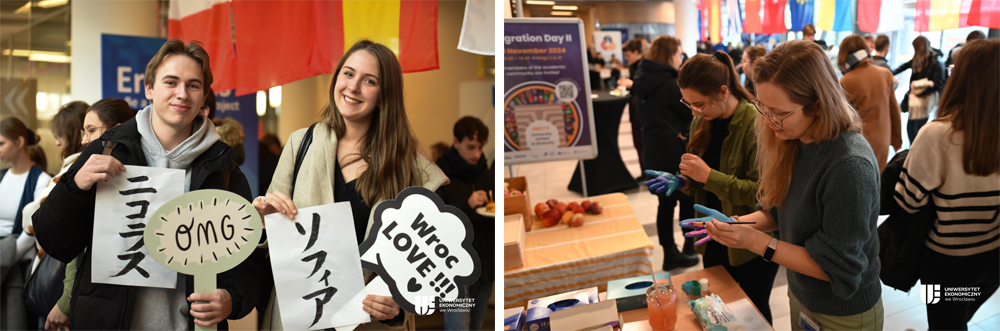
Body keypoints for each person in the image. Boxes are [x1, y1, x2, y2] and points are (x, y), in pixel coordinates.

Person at [34, 39, 267, 330]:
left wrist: (232, 296)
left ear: (204, 96)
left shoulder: (224, 170)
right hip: (107, 322)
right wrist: (76, 185)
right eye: (171, 82)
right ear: (149, 89)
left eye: (193, 85)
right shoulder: (107, 150)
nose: (182, 94)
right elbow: (54, 240)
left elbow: (248, 262)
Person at [252, 39, 448, 330]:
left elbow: (429, 271)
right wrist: (264, 220)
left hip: (368, 323)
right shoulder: (300, 144)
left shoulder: (413, 170)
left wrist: (399, 305)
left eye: (369, 80)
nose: (353, 87)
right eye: (348, 73)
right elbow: (273, 241)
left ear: (384, 95)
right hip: (301, 315)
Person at [704, 40, 883, 330]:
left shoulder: (849, 165)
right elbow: (775, 210)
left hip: (844, 311)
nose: (770, 121)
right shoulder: (793, 141)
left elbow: (838, 266)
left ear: (817, 104)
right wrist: (737, 225)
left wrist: (756, 242)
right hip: (802, 294)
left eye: (780, 112)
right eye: (763, 107)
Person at [648, 51, 779, 323]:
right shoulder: (703, 120)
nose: (695, 112)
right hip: (712, 235)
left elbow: (763, 194)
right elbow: (699, 181)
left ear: (722, 91)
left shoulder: (755, 121)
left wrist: (709, 177)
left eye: (700, 104)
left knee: (754, 312)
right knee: (719, 309)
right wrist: (683, 181)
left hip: (749, 237)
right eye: (689, 104)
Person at [895, 38, 999, 331]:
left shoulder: (937, 134)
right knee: (959, 314)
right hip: (994, 259)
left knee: (945, 322)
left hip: (947, 263)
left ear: (961, 77)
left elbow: (908, 201)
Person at [36, 98, 135, 331]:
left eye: (91, 130)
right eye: (83, 131)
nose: (84, 139)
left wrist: (66, 301)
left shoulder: (102, 174)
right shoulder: (82, 170)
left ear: (117, 130)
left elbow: (82, 250)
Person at [631, 35, 699, 270]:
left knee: (665, 203)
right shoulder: (670, 83)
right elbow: (690, 112)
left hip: (654, 149)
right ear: (670, 54)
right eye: (679, 54)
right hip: (675, 150)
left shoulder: (641, 80)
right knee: (688, 197)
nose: (681, 58)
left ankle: (670, 253)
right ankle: (689, 246)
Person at [436, 116, 493, 331]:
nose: (476, 154)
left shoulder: (486, 174)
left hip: (485, 264)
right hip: (453, 270)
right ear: (456, 141)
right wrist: (467, 204)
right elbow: (436, 220)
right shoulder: (439, 174)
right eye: (470, 147)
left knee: (476, 327)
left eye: (479, 148)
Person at [0, 117, 52, 330]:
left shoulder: (41, 180)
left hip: (18, 265)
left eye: (2, 143)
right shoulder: (2, 177)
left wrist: (4, 259)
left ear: (20, 142)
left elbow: (32, 231)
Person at [838, 35, 903, 172]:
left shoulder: (845, 82)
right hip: (882, 143)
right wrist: (897, 140)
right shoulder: (885, 74)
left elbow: (839, 121)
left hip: (857, 146)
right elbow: (894, 109)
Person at [893, 36, 944, 144]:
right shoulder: (918, 59)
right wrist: (887, 73)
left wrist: (919, 90)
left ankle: (916, 150)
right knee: (911, 128)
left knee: (919, 128)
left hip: (925, 100)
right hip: (915, 100)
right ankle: (912, 149)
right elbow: (903, 67)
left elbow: (938, 83)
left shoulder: (936, 61)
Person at [618, 39, 647, 175]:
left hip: (642, 109)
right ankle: (644, 172)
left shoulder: (645, 65)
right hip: (634, 107)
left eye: (628, 55)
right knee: (637, 142)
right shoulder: (633, 66)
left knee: (643, 142)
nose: (626, 58)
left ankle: (647, 172)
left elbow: (645, 88)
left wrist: (631, 84)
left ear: (636, 52)